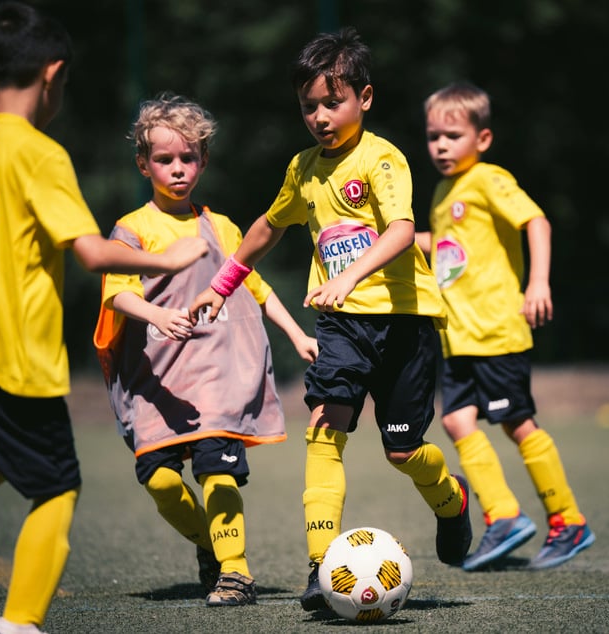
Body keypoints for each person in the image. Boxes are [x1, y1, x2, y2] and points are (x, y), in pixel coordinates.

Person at [0, 4, 208, 634]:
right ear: (54, 74)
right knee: (57, 488)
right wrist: (166, 256)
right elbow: (90, 251)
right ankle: (18, 624)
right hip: (13, 358)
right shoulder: (38, 154)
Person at [188, 27, 473, 611]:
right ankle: (321, 568)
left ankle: (451, 500)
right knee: (324, 430)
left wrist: (349, 275)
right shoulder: (303, 168)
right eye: (308, 106)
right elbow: (268, 227)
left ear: (363, 99)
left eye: (331, 101)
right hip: (341, 326)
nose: (319, 116)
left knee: (403, 451)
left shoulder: (383, 157)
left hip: (403, 322)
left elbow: (399, 230)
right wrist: (222, 286)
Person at [92, 92, 318, 607]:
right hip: (158, 379)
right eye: (165, 159)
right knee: (162, 483)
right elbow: (118, 292)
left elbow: (255, 289)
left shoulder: (222, 227)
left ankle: (236, 572)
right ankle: (208, 545)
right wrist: (157, 315)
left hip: (218, 375)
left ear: (203, 160)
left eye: (188, 158)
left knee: (218, 471)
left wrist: (297, 333)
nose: (178, 169)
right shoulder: (132, 228)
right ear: (143, 164)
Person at [415, 81, 594, 572]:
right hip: (459, 336)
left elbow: (536, 221)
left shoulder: (489, 178)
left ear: (483, 139)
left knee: (517, 423)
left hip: (495, 329)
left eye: (452, 135)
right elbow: (452, 245)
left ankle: (568, 520)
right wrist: (400, 238)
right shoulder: (443, 189)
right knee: (455, 420)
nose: (441, 146)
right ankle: (505, 517)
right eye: (433, 136)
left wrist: (537, 282)